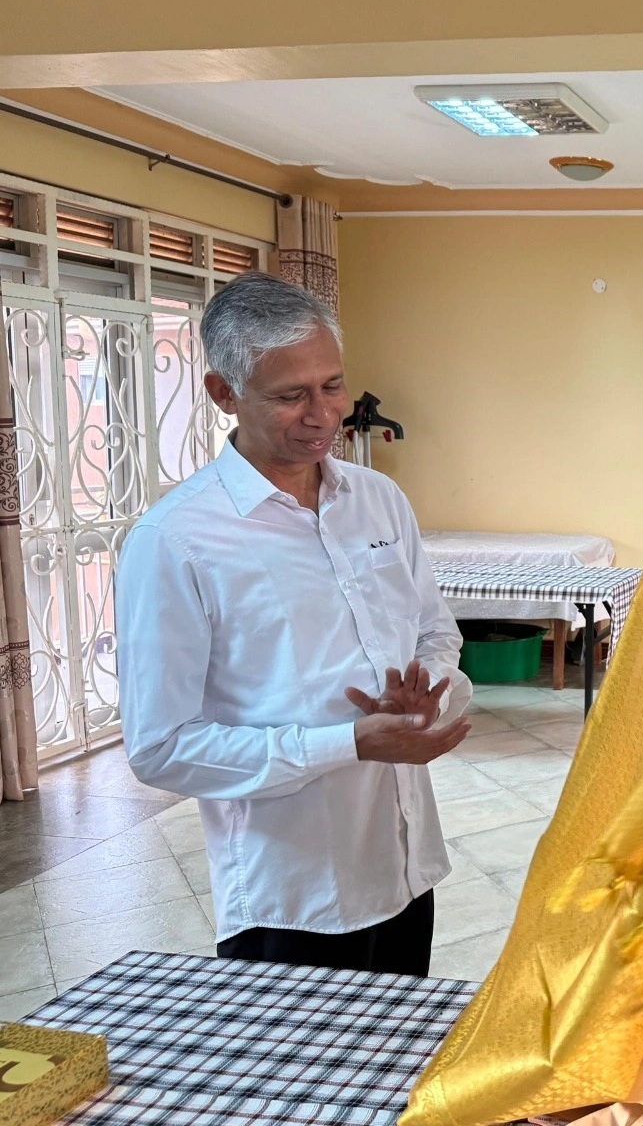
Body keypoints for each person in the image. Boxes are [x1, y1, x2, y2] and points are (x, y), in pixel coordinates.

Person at [116, 271, 473, 977]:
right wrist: (349, 743)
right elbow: (161, 747)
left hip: (406, 865)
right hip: (294, 892)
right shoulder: (176, 540)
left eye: (332, 385)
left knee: (399, 1047)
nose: (323, 415)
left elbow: (435, 632)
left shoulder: (377, 500)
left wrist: (424, 693)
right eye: (290, 396)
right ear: (223, 393)